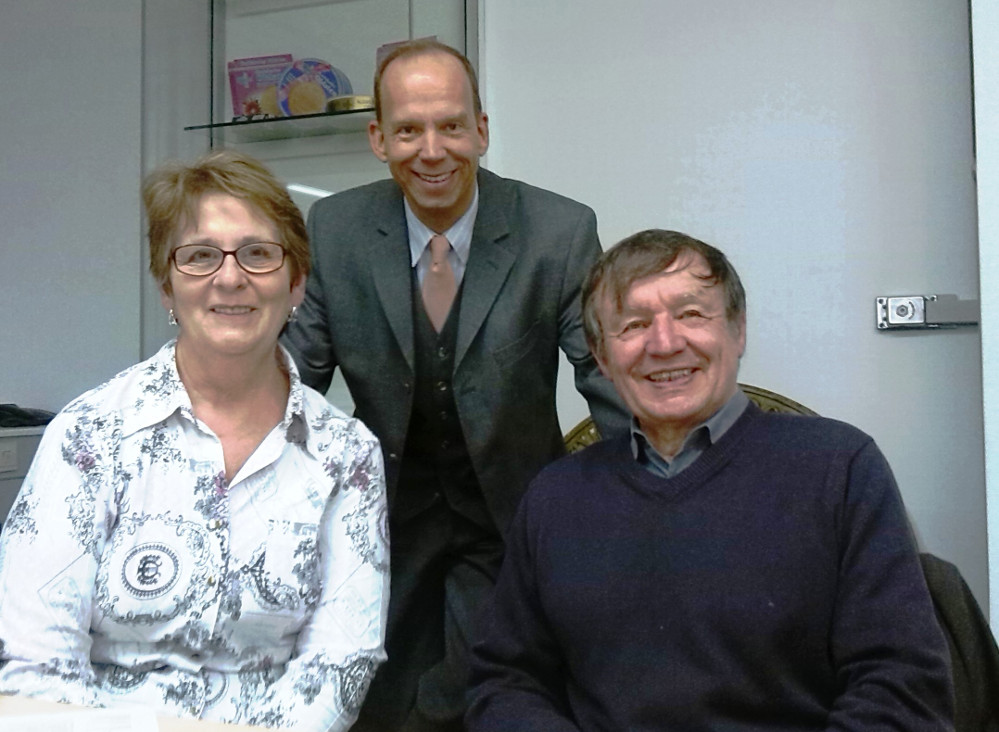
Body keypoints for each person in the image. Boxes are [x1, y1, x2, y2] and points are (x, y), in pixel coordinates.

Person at [466, 229, 955, 731]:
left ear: (738, 330)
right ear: (602, 356)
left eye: (691, 315)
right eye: (634, 325)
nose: (665, 343)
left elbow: (903, 685)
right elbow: (505, 682)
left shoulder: (840, 468)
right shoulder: (555, 497)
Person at [281, 38, 628, 732]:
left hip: (509, 521)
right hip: (380, 525)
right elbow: (291, 382)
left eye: (450, 125)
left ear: (481, 130)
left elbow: (611, 382)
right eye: (409, 129)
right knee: (370, 702)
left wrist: (646, 511)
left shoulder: (559, 231)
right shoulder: (337, 228)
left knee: (486, 698)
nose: (432, 150)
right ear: (379, 139)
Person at [0, 150, 389, 731]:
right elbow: (35, 660)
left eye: (258, 253)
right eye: (200, 256)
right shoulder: (87, 436)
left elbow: (339, 666)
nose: (230, 277)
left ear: (297, 283)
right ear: (166, 287)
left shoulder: (346, 454)